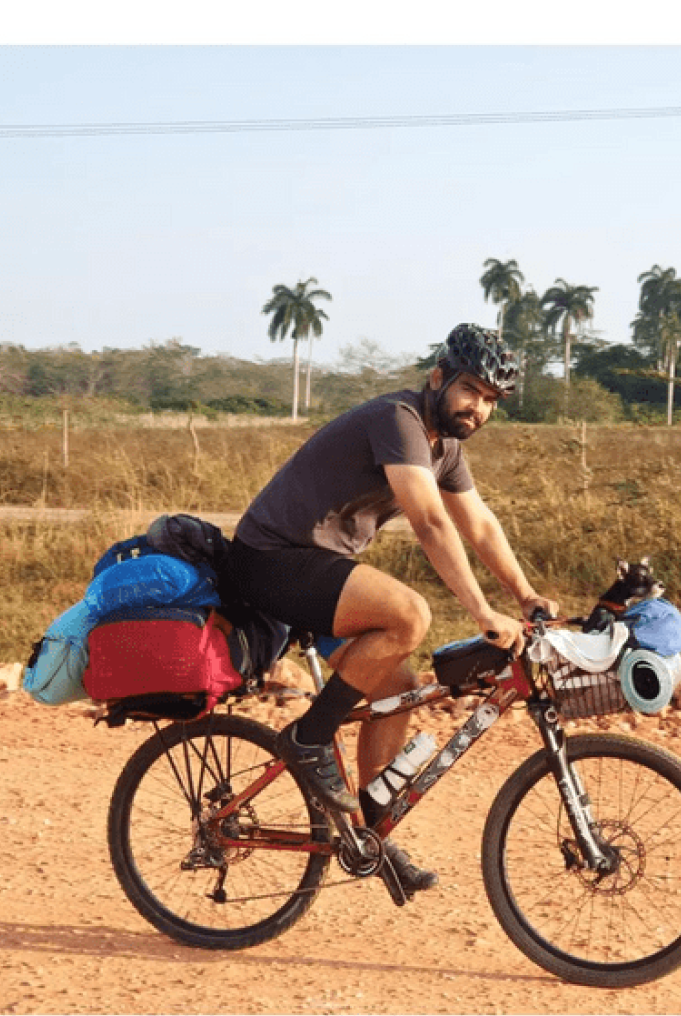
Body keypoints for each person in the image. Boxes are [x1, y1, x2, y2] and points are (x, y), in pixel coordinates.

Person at [222, 323, 558, 892]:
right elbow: (431, 521)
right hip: (271, 559)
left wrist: (525, 596)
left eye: (490, 401)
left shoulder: (444, 447)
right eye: (470, 390)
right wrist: (482, 612)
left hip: (313, 570)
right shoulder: (397, 420)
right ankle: (308, 739)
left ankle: (368, 833)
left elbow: (478, 523)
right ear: (438, 379)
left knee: (394, 690)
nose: (477, 407)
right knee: (410, 616)